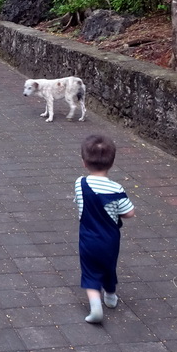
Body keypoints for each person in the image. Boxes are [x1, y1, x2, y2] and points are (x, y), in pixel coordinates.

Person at [74, 134, 134, 324]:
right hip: (110, 239)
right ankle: (110, 296)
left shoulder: (80, 184)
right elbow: (129, 213)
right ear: (111, 163)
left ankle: (95, 307)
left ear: (84, 162)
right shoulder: (116, 189)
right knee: (109, 266)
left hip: (88, 238)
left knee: (90, 271)